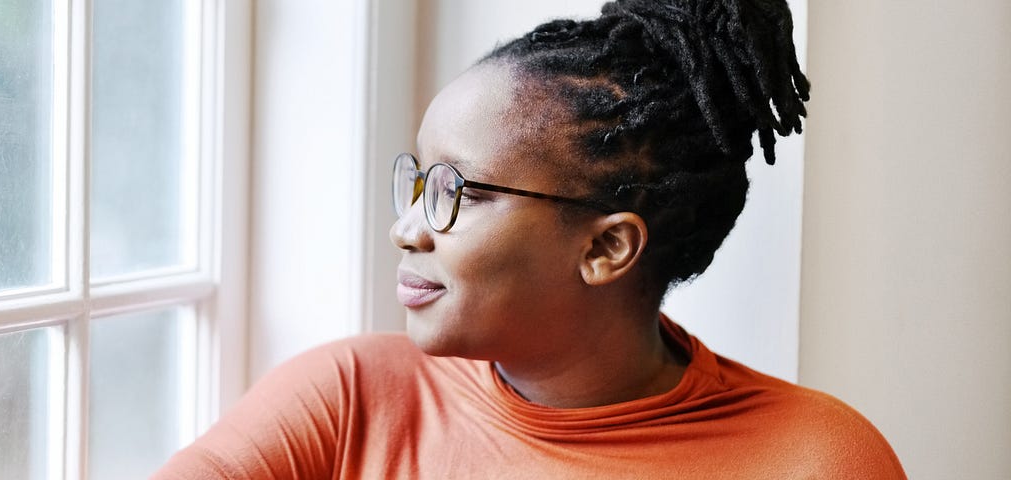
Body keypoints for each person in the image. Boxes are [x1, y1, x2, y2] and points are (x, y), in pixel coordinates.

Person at [154, 0, 906, 478]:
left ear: (607, 248)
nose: (407, 227)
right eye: (419, 181)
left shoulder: (814, 459)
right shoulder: (352, 398)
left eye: (461, 192)